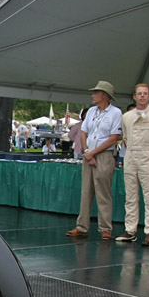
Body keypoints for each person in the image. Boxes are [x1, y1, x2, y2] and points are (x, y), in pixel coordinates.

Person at [66, 81, 122, 240]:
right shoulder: (91, 111)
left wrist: (93, 153)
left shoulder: (116, 113)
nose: (92, 95)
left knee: (103, 192)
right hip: (89, 153)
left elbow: (114, 138)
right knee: (86, 191)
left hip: (104, 155)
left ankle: (105, 228)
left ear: (104, 95)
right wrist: (87, 151)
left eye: (95, 93)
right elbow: (83, 132)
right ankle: (82, 226)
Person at [114, 84, 149, 246]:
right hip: (131, 157)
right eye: (139, 94)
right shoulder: (127, 117)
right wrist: (131, 154)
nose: (142, 96)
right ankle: (130, 230)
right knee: (130, 197)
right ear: (134, 97)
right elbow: (125, 138)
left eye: (145, 94)